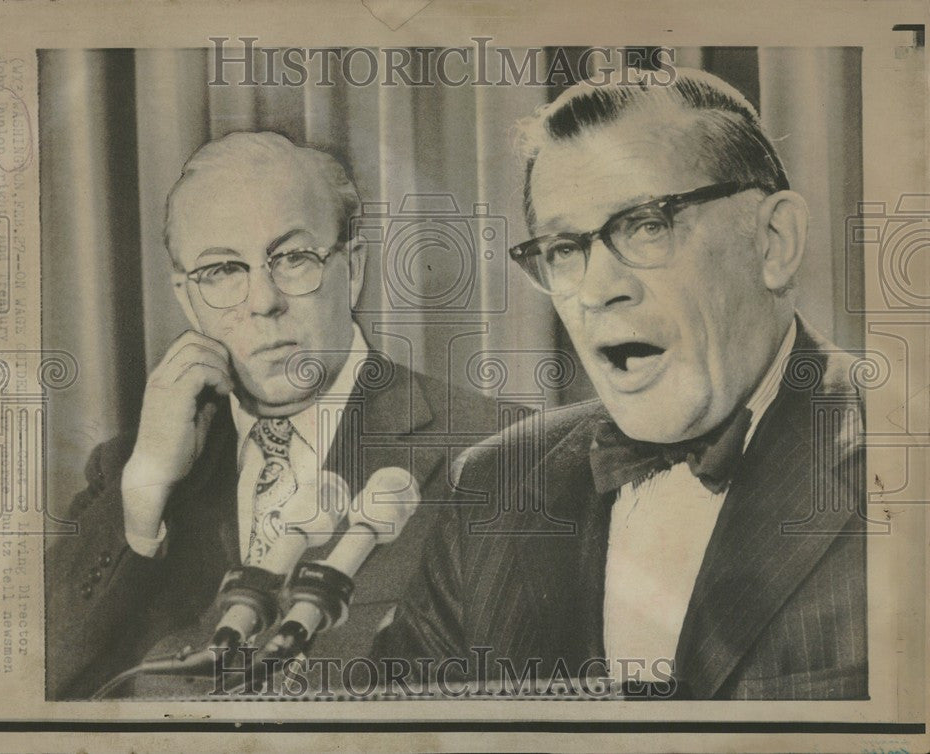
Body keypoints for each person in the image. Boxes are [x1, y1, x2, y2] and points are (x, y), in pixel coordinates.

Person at [373, 69, 868, 700]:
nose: (600, 289)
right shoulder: (496, 486)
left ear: (774, 242)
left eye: (647, 226)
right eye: (563, 248)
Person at [45, 132, 506, 699]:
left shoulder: (499, 450)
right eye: (222, 271)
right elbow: (32, 686)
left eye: (292, 258)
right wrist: (141, 499)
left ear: (352, 269)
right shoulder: (128, 471)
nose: (262, 301)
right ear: (188, 300)